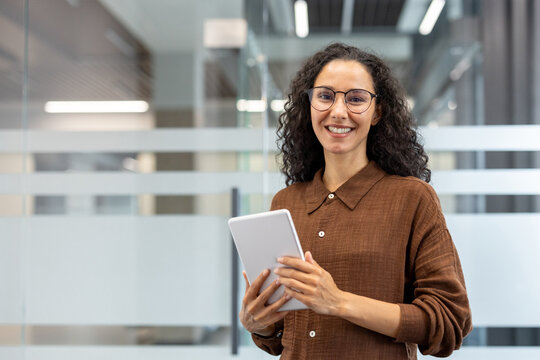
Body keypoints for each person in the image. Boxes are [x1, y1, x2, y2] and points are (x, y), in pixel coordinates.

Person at [239, 43, 472, 359]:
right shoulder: (287, 201)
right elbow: (280, 338)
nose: (338, 111)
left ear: (377, 112)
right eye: (325, 96)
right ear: (308, 106)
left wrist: (337, 302)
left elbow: (450, 321)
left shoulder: (413, 198)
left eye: (356, 99)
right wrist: (260, 323)